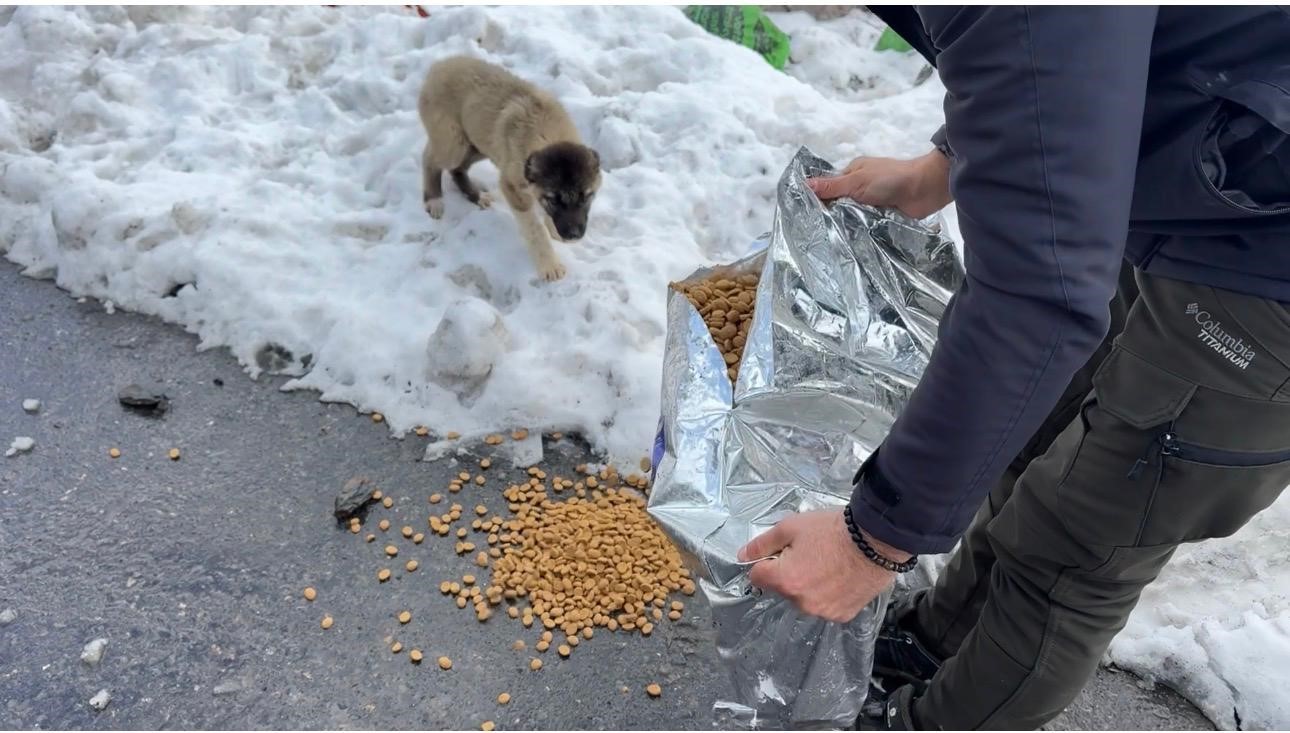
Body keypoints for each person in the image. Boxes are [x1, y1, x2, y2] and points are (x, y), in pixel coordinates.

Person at [736, 6, 1290, 730]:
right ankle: (937, 643)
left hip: (1266, 265)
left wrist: (873, 539)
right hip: (1211, 177)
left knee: (1074, 551)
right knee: (1034, 439)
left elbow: (1040, 298)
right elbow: (1059, 64)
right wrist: (945, 162)